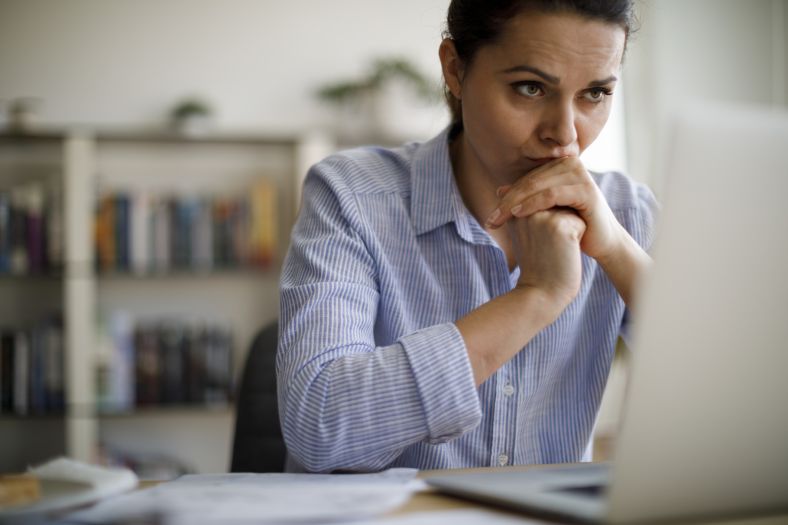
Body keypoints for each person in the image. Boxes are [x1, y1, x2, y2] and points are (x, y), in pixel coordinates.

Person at [277, 0, 657, 473]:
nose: (564, 136)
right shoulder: (352, 195)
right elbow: (318, 427)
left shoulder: (629, 213)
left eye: (595, 94)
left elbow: (743, 406)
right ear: (455, 70)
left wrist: (617, 250)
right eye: (530, 88)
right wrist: (536, 297)